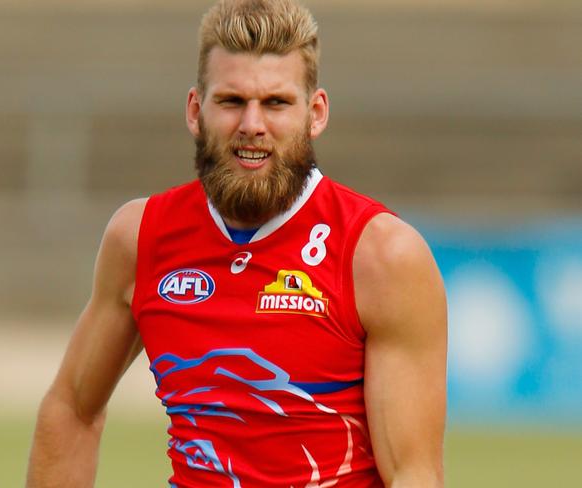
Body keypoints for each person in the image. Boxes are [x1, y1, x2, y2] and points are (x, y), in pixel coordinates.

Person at [26, 0, 447, 486]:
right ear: (194, 110)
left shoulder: (381, 255)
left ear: (315, 113)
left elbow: (414, 474)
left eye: (275, 102)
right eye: (230, 101)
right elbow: (71, 409)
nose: (252, 125)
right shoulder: (140, 237)